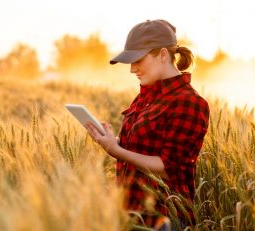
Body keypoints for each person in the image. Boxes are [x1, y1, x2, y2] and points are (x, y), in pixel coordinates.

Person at [85, 19, 210, 230]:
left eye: (138, 60)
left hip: (162, 220)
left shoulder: (189, 102)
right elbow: (140, 152)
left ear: (162, 55)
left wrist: (116, 150)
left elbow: (167, 169)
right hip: (131, 215)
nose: (132, 69)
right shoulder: (144, 97)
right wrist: (111, 142)